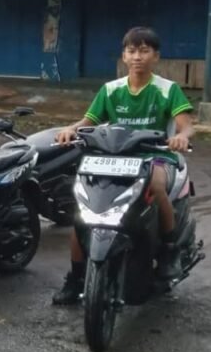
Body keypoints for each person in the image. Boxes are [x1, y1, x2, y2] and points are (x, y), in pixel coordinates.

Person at [52, 27, 194, 305]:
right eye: (132, 51)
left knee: (156, 185)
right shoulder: (111, 90)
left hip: (155, 156)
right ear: (124, 56)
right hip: (113, 158)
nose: (137, 57)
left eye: (144, 51)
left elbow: (186, 125)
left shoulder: (168, 90)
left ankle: (169, 250)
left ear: (156, 56)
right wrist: (71, 128)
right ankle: (75, 277)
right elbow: (88, 122)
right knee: (84, 213)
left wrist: (180, 137)